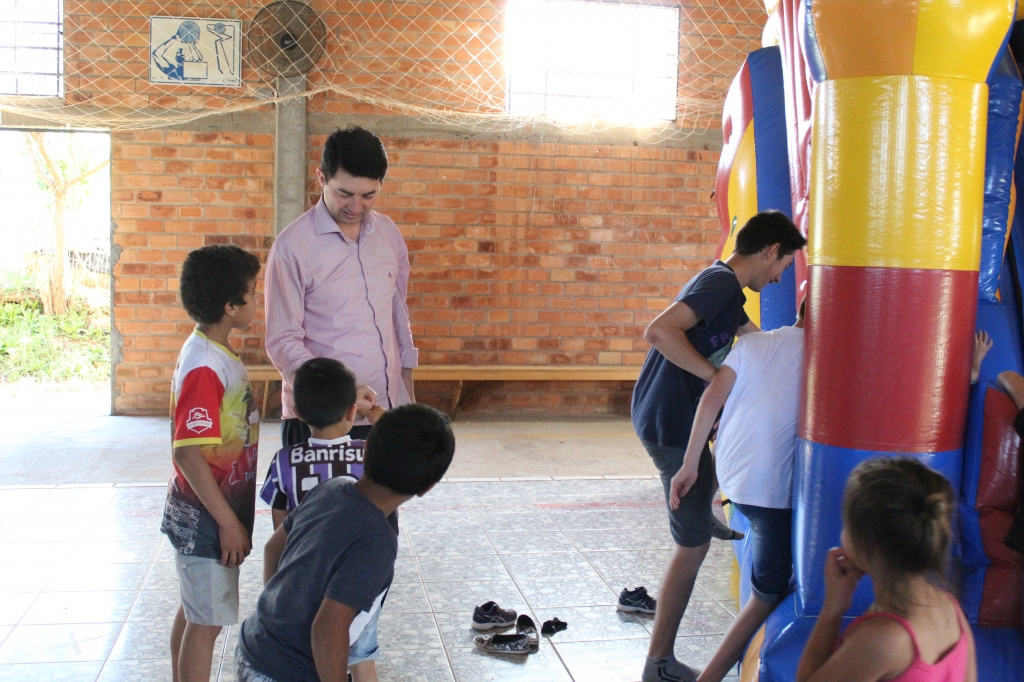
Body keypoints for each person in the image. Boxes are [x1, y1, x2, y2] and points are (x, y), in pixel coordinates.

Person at [633, 210, 807, 682]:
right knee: (692, 545)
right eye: (784, 266)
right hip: (666, 420)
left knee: (698, 512)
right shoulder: (719, 282)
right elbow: (659, 331)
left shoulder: (731, 299)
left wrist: (802, 335)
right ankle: (659, 664)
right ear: (770, 250)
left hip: (671, 417)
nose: (779, 278)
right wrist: (716, 379)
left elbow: (760, 344)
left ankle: (701, 508)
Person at [235, 403, 456, 682]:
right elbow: (328, 628)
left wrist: (279, 616)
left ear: (365, 450)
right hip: (288, 672)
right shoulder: (378, 542)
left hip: (254, 646)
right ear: (428, 487)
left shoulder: (331, 487)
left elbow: (272, 549)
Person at [669, 298, 806, 681]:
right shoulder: (822, 355)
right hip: (768, 490)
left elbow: (713, 398)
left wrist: (691, 463)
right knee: (767, 592)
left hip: (730, 473)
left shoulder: (751, 343)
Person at [265, 125, 417, 453]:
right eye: (344, 194)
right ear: (322, 179)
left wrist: (406, 399)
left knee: (381, 506)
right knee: (319, 506)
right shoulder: (293, 247)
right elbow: (281, 341)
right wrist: (338, 394)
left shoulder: (388, 235)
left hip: (380, 418)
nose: (356, 207)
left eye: (369, 195)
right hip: (320, 426)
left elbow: (397, 318)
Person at [161, 245, 262, 682]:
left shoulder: (214, 350)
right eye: (253, 294)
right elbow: (187, 452)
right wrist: (227, 522)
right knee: (207, 623)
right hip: (207, 514)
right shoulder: (205, 365)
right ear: (230, 306)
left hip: (210, 509)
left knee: (196, 611)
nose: (257, 302)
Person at [796, 457, 977, 682]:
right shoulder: (949, 607)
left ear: (869, 547)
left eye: (846, 527)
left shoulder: (883, 640)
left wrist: (833, 607)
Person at [260, 356, 387, 530]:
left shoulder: (284, 460)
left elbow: (280, 524)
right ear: (352, 412)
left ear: (298, 413)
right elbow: (410, 456)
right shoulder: (369, 454)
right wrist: (383, 421)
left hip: (306, 553)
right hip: (357, 553)